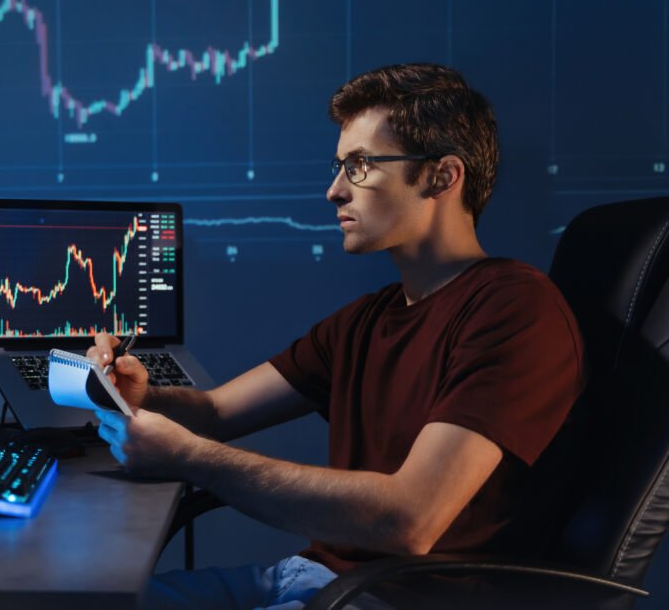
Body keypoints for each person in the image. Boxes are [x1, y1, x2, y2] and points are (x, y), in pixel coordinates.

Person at [88, 63, 585, 610]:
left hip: (394, 600)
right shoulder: (368, 320)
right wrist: (143, 396)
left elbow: (409, 519)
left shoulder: (515, 310)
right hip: (312, 578)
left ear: (443, 176)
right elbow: (215, 412)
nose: (333, 191)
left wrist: (191, 458)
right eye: (340, 166)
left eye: (361, 166)